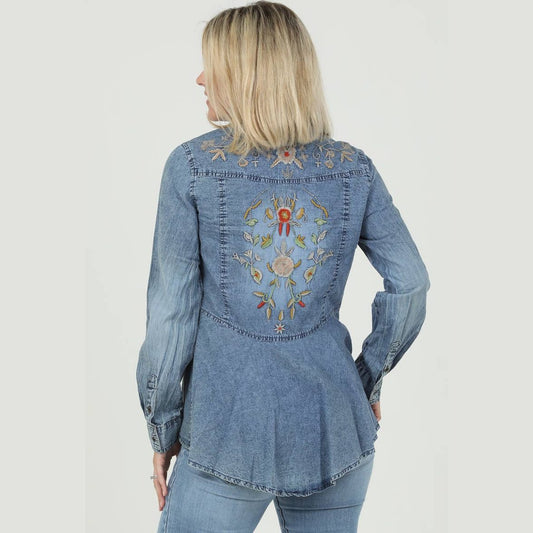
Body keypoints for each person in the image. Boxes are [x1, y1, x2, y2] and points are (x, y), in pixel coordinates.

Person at [136, 1, 431, 531]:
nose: (200, 79)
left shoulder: (192, 167)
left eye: (213, 66)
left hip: (224, 433)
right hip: (335, 429)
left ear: (245, 74)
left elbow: (168, 323)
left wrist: (163, 428)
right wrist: (365, 381)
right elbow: (410, 284)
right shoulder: (353, 168)